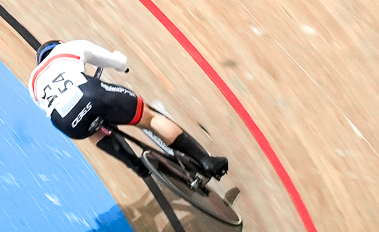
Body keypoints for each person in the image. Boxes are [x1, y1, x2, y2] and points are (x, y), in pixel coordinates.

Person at [27, 38, 228, 182]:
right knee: (149, 117)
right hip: (92, 94)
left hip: (67, 123)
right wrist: (122, 66)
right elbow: (115, 61)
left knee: (91, 129)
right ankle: (205, 161)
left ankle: (135, 165)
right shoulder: (71, 47)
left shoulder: (33, 82)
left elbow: (51, 106)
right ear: (59, 45)